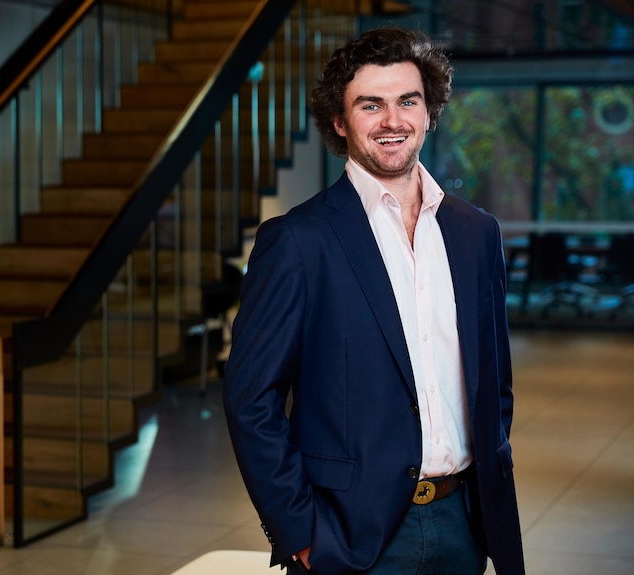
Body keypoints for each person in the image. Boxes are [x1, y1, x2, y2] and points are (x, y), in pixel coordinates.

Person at [222, 27, 525, 575]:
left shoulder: (477, 233)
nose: (392, 120)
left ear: (429, 112)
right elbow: (251, 400)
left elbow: (494, 382)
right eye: (370, 104)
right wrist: (301, 532)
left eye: (408, 101)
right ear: (340, 122)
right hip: (350, 535)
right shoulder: (297, 241)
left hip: (465, 520)